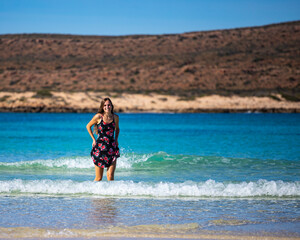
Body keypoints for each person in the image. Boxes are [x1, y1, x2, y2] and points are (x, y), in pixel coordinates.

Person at [86, 97, 120, 181]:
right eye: (105, 105)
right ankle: (93, 193)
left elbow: (117, 129)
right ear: (102, 106)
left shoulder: (115, 117)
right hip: (99, 149)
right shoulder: (98, 117)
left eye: (109, 105)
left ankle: (111, 194)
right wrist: (93, 139)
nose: (107, 107)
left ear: (111, 106)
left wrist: (116, 140)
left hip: (112, 148)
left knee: (110, 176)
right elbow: (88, 126)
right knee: (98, 178)